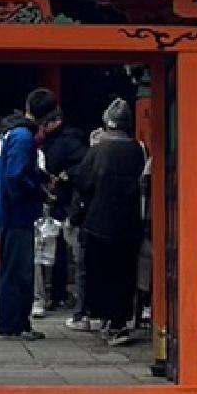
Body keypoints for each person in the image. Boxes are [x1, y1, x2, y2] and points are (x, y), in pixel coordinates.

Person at [69, 97, 145, 344]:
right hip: (129, 224)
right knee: (124, 275)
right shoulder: (138, 150)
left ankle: (106, 320)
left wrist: (75, 217)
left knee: (100, 274)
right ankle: (119, 322)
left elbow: (82, 184)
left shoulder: (98, 150)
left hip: (98, 222)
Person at [0, 88, 58, 340]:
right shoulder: (23, 137)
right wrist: (40, 193)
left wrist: (42, 178)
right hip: (16, 212)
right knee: (19, 270)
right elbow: (16, 176)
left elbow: (18, 169)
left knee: (14, 268)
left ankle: (14, 322)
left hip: (8, 210)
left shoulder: (13, 132)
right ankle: (14, 324)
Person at [36, 116, 90, 316]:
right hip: (54, 199)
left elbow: (83, 164)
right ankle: (55, 294)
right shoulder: (47, 142)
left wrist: (65, 175)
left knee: (62, 250)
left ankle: (56, 293)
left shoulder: (68, 141)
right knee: (54, 249)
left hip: (65, 201)